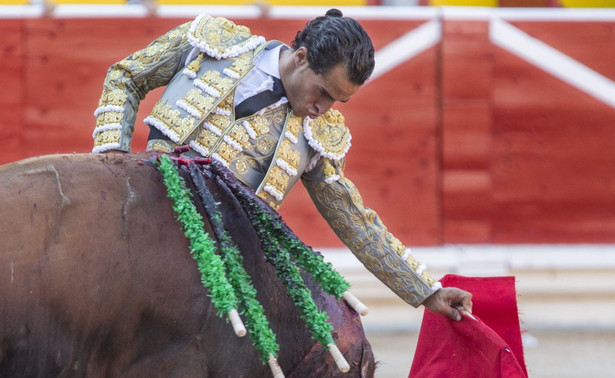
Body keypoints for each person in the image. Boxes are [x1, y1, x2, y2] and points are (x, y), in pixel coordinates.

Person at [92, 8, 472, 321]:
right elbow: (125, 76)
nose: (323, 109)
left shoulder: (318, 137)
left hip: (211, 271)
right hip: (140, 215)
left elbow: (354, 220)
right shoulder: (210, 42)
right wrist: (113, 158)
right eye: (323, 92)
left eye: (338, 102)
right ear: (301, 57)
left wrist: (426, 291)